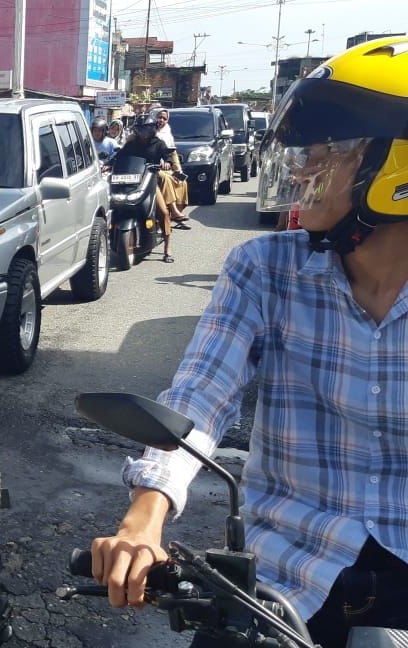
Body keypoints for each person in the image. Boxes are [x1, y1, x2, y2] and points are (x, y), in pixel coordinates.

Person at [90, 37, 408, 648]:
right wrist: (146, 512)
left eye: (328, 155)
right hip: (285, 573)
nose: (305, 170)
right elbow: (202, 395)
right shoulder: (262, 268)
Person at [117, 114, 189, 263]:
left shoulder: (158, 143)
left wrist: (167, 163)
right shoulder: (131, 144)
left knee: (163, 212)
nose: (144, 133)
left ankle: (168, 248)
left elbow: (168, 156)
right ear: (136, 130)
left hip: (149, 182)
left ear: (153, 129)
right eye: (140, 129)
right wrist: (108, 164)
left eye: (147, 129)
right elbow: (119, 156)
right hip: (130, 182)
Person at [155, 109, 190, 213]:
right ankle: (173, 211)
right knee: (166, 178)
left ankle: (178, 215)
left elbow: (170, 153)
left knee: (181, 181)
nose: (161, 120)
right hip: (151, 167)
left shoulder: (167, 134)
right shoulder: (149, 132)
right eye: (159, 117)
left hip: (164, 167)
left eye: (164, 118)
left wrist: (172, 165)